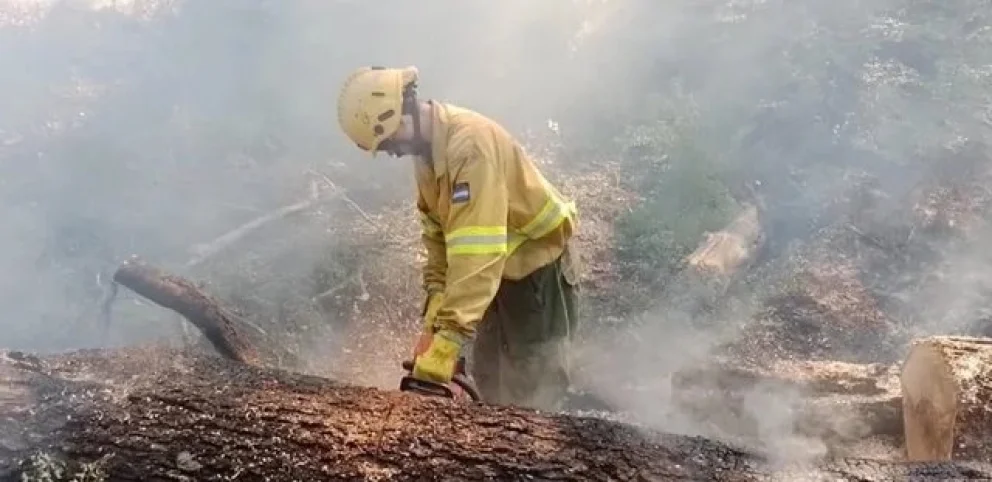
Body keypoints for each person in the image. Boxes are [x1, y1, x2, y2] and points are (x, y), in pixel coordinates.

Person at [335, 65, 581, 411]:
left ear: (400, 117)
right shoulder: (428, 154)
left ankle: (535, 459)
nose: (392, 152)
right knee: (490, 374)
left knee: (532, 386)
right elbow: (436, 236)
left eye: (389, 142)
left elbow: (480, 252)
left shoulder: (469, 147)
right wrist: (434, 311)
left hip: (535, 268)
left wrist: (449, 336)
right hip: (493, 275)